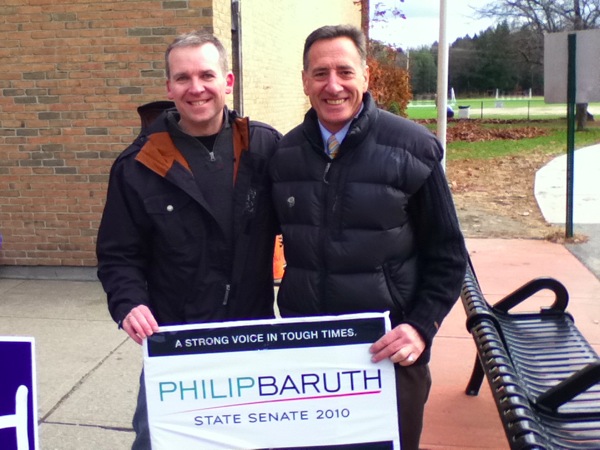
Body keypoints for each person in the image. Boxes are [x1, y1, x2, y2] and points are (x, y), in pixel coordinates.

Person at [269, 25, 468, 450]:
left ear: (366, 76)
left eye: (344, 71)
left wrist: (420, 326)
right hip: (308, 353)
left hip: (388, 355)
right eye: (320, 73)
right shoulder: (284, 155)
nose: (333, 85)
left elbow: (449, 255)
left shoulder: (413, 148)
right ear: (304, 81)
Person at [96, 31, 280, 449]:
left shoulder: (265, 148)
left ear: (227, 82)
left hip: (251, 336)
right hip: (175, 341)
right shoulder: (136, 165)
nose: (196, 88)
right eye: (182, 78)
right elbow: (117, 256)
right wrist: (129, 304)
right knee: (157, 440)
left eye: (206, 75)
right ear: (168, 87)